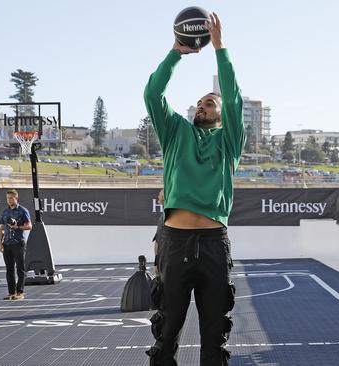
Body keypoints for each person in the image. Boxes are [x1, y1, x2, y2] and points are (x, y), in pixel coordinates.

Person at [144, 13, 244, 366]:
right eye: (201, 102)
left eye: (210, 103)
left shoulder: (229, 142)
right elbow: (153, 93)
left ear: (219, 114)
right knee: (166, 330)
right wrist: (176, 53)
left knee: (214, 335)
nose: (203, 106)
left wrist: (220, 49)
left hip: (214, 245)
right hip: (175, 243)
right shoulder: (175, 132)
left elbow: (234, 100)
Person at [0, 189, 32, 300]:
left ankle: (20, 292)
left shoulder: (23, 211)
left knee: (20, 269)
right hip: (7, 243)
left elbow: (29, 226)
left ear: (16, 198)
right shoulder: (5, 212)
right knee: (9, 269)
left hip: (18, 243)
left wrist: (17, 227)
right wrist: (0, 243)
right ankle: (11, 292)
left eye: (11, 198)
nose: (9, 200)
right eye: (7, 198)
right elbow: (2, 228)